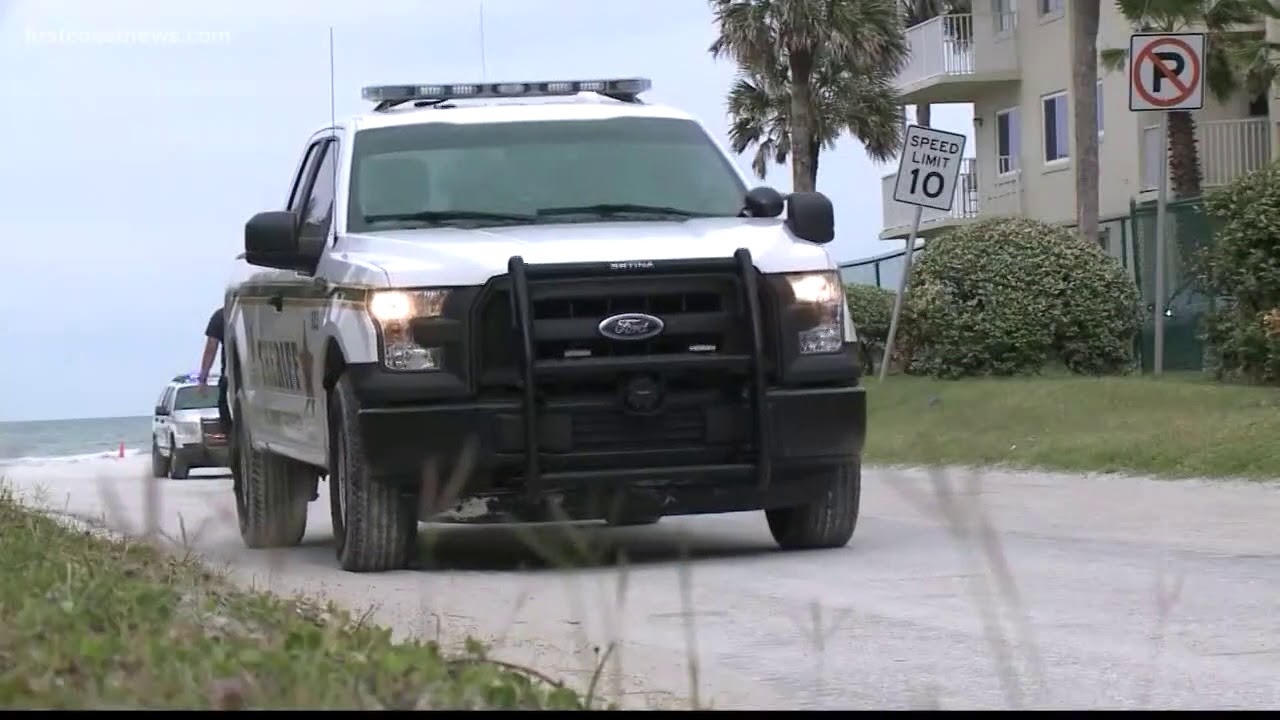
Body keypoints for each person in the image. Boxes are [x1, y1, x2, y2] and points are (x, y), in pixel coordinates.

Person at [198, 306, 230, 432]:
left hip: (231, 377)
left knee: (229, 423)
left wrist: (203, 379)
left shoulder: (222, 315)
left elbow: (211, 348)